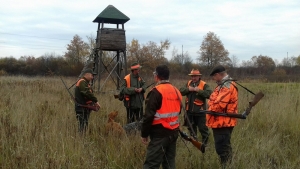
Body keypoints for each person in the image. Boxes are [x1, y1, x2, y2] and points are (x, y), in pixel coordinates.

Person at [141, 65, 182, 169]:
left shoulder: (156, 92)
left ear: (157, 76)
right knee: (169, 164)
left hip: (160, 135)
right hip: (173, 133)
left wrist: (144, 134)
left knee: (151, 165)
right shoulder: (176, 91)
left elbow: (148, 116)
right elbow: (179, 111)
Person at [206, 65, 238, 168]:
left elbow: (219, 105)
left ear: (218, 75)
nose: (213, 79)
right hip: (221, 122)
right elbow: (212, 100)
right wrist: (211, 104)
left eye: (214, 77)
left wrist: (209, 108)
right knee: (224, 148)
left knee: (223, 150)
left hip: (223, 123)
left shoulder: (226, 86)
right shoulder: (223, 84)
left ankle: (227, 166)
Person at [180, 69, 212, 146]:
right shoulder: (188, 83)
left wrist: (199, 91)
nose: (193, 78)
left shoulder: (204, 84)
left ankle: (205, 144)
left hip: (200, 112)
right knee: (191, 128)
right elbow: (181, 91)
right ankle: (194, 143)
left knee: (203, 129)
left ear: (199, 76)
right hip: (189, 111)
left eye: (195, 76)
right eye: (192, 76)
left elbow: (209, 94)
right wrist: (188, 89)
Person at [75, 68, 101, 133]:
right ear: (87, 74)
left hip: (85, 108)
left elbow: (87, 95)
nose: (92, 77)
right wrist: (95, 101)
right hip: (81, 108)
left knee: (84, 125)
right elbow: (86, 93)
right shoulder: (82, 82)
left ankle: (83, 139)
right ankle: (81, 140)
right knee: (82, 126)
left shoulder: (85, 83)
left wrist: (92, 103)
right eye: (92, 75)